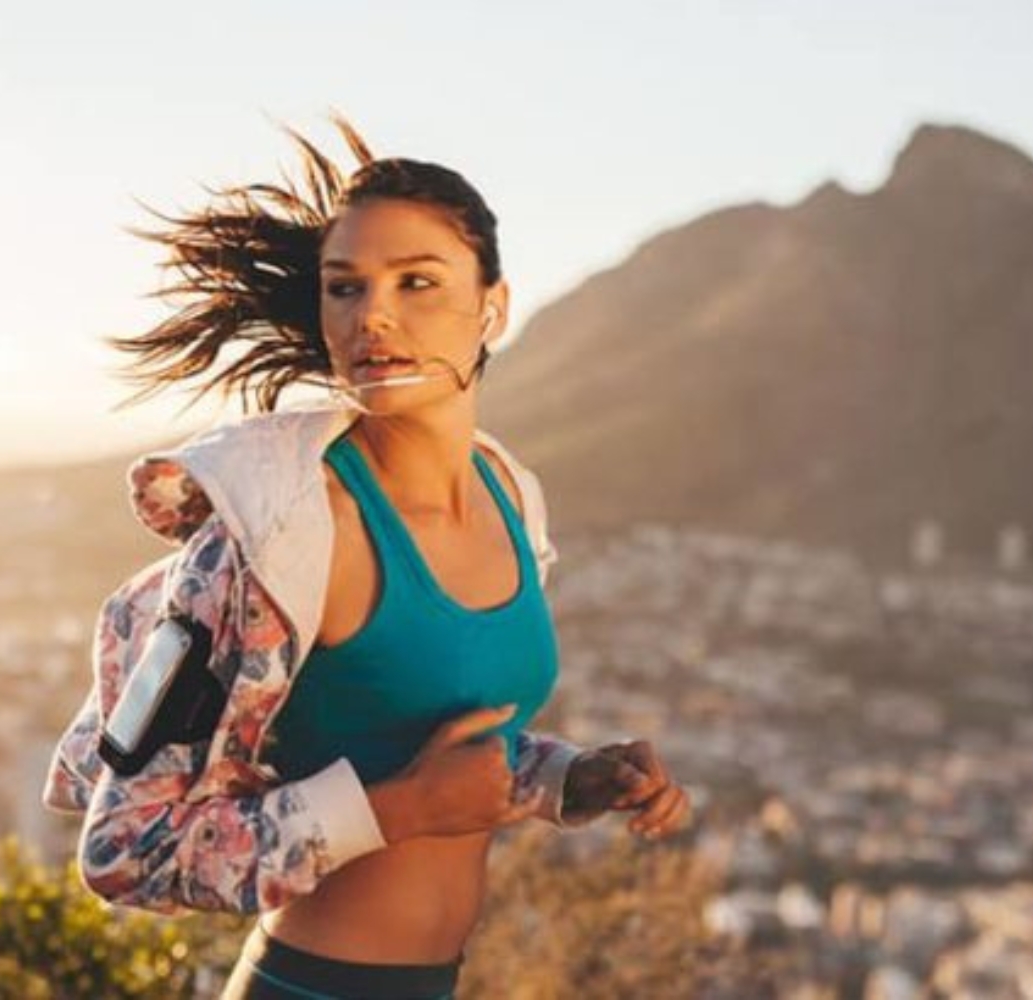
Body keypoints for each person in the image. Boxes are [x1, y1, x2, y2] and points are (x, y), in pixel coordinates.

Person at [43, 116, 693, 1000]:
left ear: (492, 307)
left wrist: (566, 778)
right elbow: (126, 853)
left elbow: (439, 733)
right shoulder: (276, 535)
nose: (373, 315)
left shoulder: (512, 496)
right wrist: (408, 811)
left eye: (417, 282)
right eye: (344, 289)